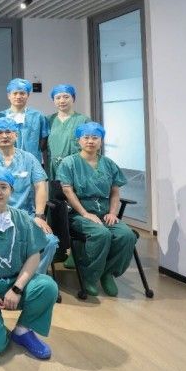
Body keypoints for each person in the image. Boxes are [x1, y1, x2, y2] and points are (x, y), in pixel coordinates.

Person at [0, 166, 59, 360]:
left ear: (11, 190)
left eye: (3, 187)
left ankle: (23, 331)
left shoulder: (23, 219)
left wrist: (17, 288)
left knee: (47, 286)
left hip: (14, 282)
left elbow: (33, 255)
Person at [56, 122, 136, 297]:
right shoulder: (69, 163)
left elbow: (115, 192)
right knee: (102, 234)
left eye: (95, 138)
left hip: (105, 213)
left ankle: (108, 272)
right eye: (86, 137)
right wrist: (85, 213)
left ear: (101, 141)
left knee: (127, 235)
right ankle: (90, 277)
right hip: (78, 214)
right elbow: (67, 191)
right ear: (79, 140)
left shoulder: (109, 164)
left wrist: (113, 213)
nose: (90, 141)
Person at [0, 118, 57, 274]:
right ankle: (4, 278)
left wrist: (39, 216)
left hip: (25, 215)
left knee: (50, 242)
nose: (4, 135)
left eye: (8, 132)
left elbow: (40, 186)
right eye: (0, 132)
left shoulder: (28, 158)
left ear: (16, 135)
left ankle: (32, 279)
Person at [0, 78, 49, 162]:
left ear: (28, 95)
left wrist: (32, 152)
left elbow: (44, 140)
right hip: (5, 161)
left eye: (22, 93)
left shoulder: (37, 116)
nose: (18, 96)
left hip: (31, 161)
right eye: (15, 93)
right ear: (9, 96)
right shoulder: (0, 116)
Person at [46, 84, 90, 179]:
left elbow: (92, 148)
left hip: (77, 170)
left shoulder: (83, 121)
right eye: (58, 98)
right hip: (54, 170)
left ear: (73, 98)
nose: (62, 101)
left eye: (66, 97)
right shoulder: (48, 120)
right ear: (53, 100)